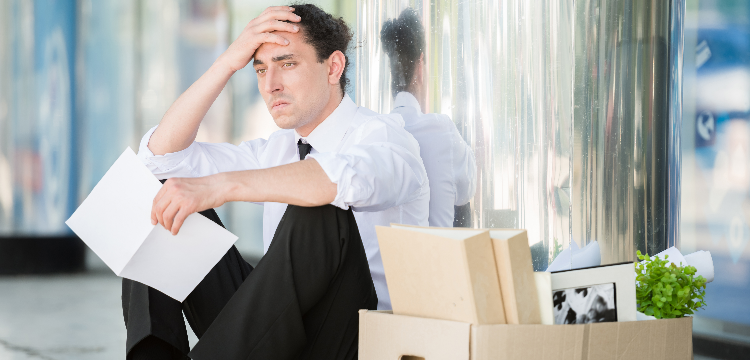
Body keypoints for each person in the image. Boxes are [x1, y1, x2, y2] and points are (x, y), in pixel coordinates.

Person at [122, 4, 429, 360]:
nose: (271, 85)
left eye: (287, 64)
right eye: (260, 69)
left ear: (333, 67)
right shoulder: (276, 150)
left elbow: (339, 178)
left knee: (320, 208)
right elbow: (160, 158)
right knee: (163, 198)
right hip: (275, 329)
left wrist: (220, 187)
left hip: (353, 338)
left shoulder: (385, 137)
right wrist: (226, 63)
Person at [380, 8, 476, 228]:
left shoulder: (374, 133)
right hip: (439, 258)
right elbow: (466, 191)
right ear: (420, 66)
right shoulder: (442, 130)